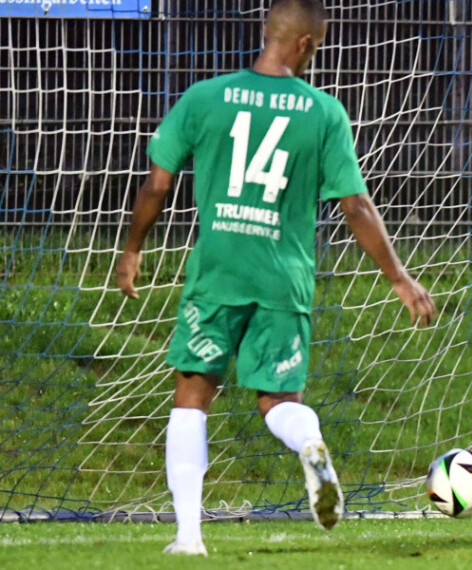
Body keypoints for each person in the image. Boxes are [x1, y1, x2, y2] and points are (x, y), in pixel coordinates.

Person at [115, 0, 436, 555]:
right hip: (283, 279)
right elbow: (355, 205)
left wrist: (132, 249)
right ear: (306, 45)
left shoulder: (205, 97)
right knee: (279, 401)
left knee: (192, 396)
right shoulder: (323, 112)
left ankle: (189, 538)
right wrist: (399, 277)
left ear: (268, 33)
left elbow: (157, 185)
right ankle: (309, 441)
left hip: (217, 274)